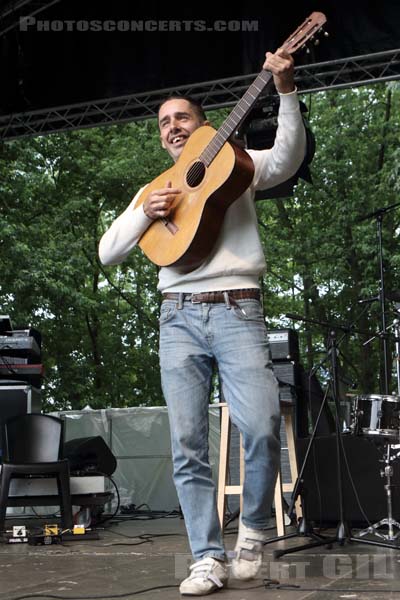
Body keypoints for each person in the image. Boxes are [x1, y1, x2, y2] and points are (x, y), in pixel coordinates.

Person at [99, 48, 306, 596]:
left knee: (261, 426)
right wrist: (147, 212)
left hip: (239, 307)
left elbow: (285, 160)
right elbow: (106, 252)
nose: (172, 126)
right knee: (187, 441)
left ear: (201, 126)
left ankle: (256, 527)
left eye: (181, 118)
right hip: (177, 318)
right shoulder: (155, 190)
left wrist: (285, 92)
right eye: (164, 122)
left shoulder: (233, 163)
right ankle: (206, 556)